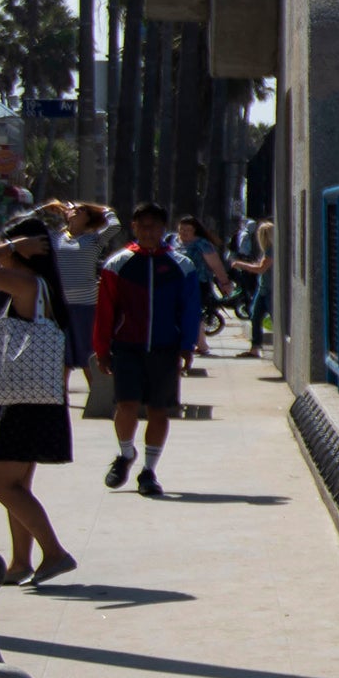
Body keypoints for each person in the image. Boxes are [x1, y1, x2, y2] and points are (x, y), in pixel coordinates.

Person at [0, 202, 93, 587]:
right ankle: (20, 562)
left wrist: (12, 245)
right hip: (33, 397)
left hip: (24, 401)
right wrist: (16, 246)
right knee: (17, 486)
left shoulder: (27, 284)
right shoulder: (44, 287)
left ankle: (54, 552)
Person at [96, 201, 203, 496]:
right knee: (126, 405)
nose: (148, 231)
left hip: (165, 348)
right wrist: (102, 348)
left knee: (159, 410)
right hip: (127, 346)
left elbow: (190, 309)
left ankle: (149, 471)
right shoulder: (117, 264)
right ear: (134, 227)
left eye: (154, 226)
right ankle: (126, 454)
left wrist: (187, 346)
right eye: (142, 225)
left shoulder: (182, 266)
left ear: (163, 229)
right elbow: (105, 311)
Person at [175, 214, 233, 376]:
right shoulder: (173, 242)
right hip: (175, 284)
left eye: (188, 229)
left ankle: (200, 343)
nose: (184, 232)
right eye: (182, 229)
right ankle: (194, 342)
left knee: (195, 312)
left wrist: (224, 282)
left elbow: (215, 264)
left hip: (198, 283)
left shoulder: (202, 244)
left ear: (195, 230)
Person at [229, 218, 273, 355]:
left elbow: (261, 268)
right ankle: (255, 348)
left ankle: (257, 347)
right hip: (263, 288)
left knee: (272, 316)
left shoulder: (271, 251)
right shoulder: (267, 251)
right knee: (255, 316)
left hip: (269, 289)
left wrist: (241, 265)